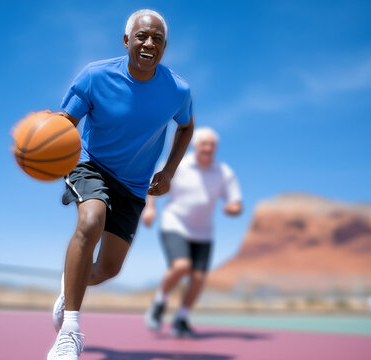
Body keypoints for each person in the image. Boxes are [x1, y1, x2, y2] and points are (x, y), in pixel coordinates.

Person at [46, 9, 195, 360]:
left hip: (134, 183)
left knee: (108, 269)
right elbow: (67, 121)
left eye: (157, 39)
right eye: (142, 36)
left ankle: (70, 289)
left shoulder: (177, 90)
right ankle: (70, 331)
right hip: (91, 165)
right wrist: (45, 139)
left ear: (164, 47)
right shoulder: (95, 76)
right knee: (90, 220)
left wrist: (169, 170)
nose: (149, 43)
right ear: (127, 41)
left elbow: (186, 127)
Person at [142, 127, 242, 338]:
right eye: (204, 144)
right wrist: (150, 208)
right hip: (175, 223)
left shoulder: (223, 172)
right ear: (196, 146)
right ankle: (159, 303)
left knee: (198, 278)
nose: (208, 148)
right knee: (181, 266)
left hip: (204, 232)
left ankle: (181, 319)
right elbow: (154, 185)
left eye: (212, 145)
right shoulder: (179, 165)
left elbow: (235, 201)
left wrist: (233, 208)